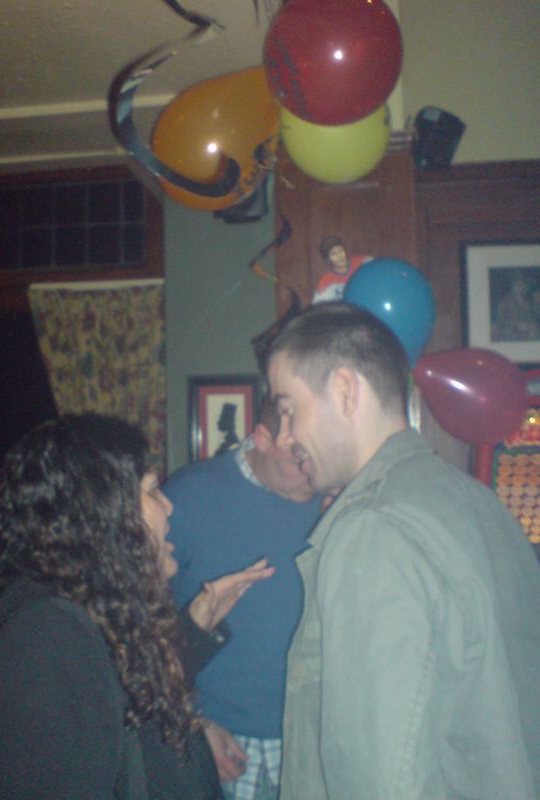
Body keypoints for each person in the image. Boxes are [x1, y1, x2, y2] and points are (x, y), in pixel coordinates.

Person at [266, 302, 540, 800]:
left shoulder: (374, 527)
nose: (284, 438)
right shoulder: (479, 501)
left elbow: (378, 779)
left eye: (288, 410)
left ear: (345, 390)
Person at [0, 413, 274, 800]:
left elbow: (124, 705)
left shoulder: (81, 613)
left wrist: (192, 632)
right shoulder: (45, 639)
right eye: (152, 491)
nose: (168, 507)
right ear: (101, 512)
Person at [163, 396, 322, 800]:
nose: (312, 469)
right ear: (262, 439)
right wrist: (189, 720)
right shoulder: (186, 496)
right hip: (221, 740)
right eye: (299, 456)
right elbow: (137, 626)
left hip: (313, 740)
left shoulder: (337, 501)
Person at [312, 236, 371, 303]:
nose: (339, 256)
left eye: (340, 250)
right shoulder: (325, 281)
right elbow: (319, 306)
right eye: (334, 254)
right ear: (328, 259)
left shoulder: (363, 262)